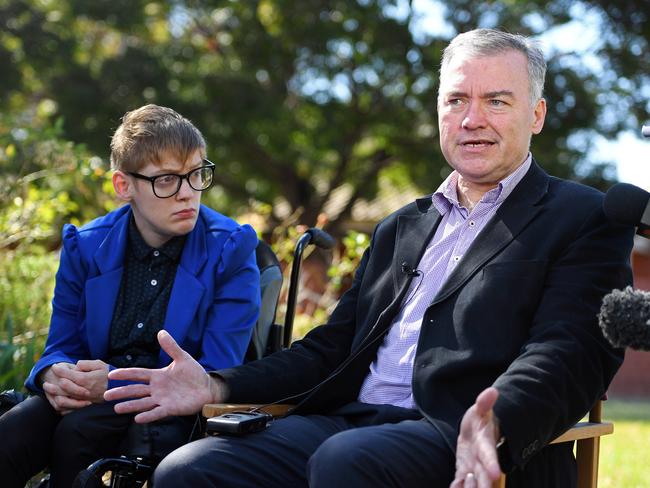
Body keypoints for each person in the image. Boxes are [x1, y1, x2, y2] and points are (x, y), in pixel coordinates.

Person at [105, 30, 634, 488]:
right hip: (351, 421)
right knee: (191, 469)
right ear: (439, 113)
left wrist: (499, 422)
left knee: (346, 461)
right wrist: (218, 384)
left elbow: (568, 351)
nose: (473, 119)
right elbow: (330, 349)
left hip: (461, 429)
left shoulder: (582, 216)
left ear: (536, 114)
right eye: (456, 101)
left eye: (497, 101)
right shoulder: (401, 226)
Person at [0, 104, 260, 487]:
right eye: (167, 180)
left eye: (196, 174)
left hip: (174, 404)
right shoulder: (85, 247)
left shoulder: (230, 250)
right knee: (10, 434)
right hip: (89, 394)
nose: (188, 194)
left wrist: (111, 386)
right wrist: (53, 374)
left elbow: (215, 369)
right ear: (124, 186)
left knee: (80, 433)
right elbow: (61, 345)